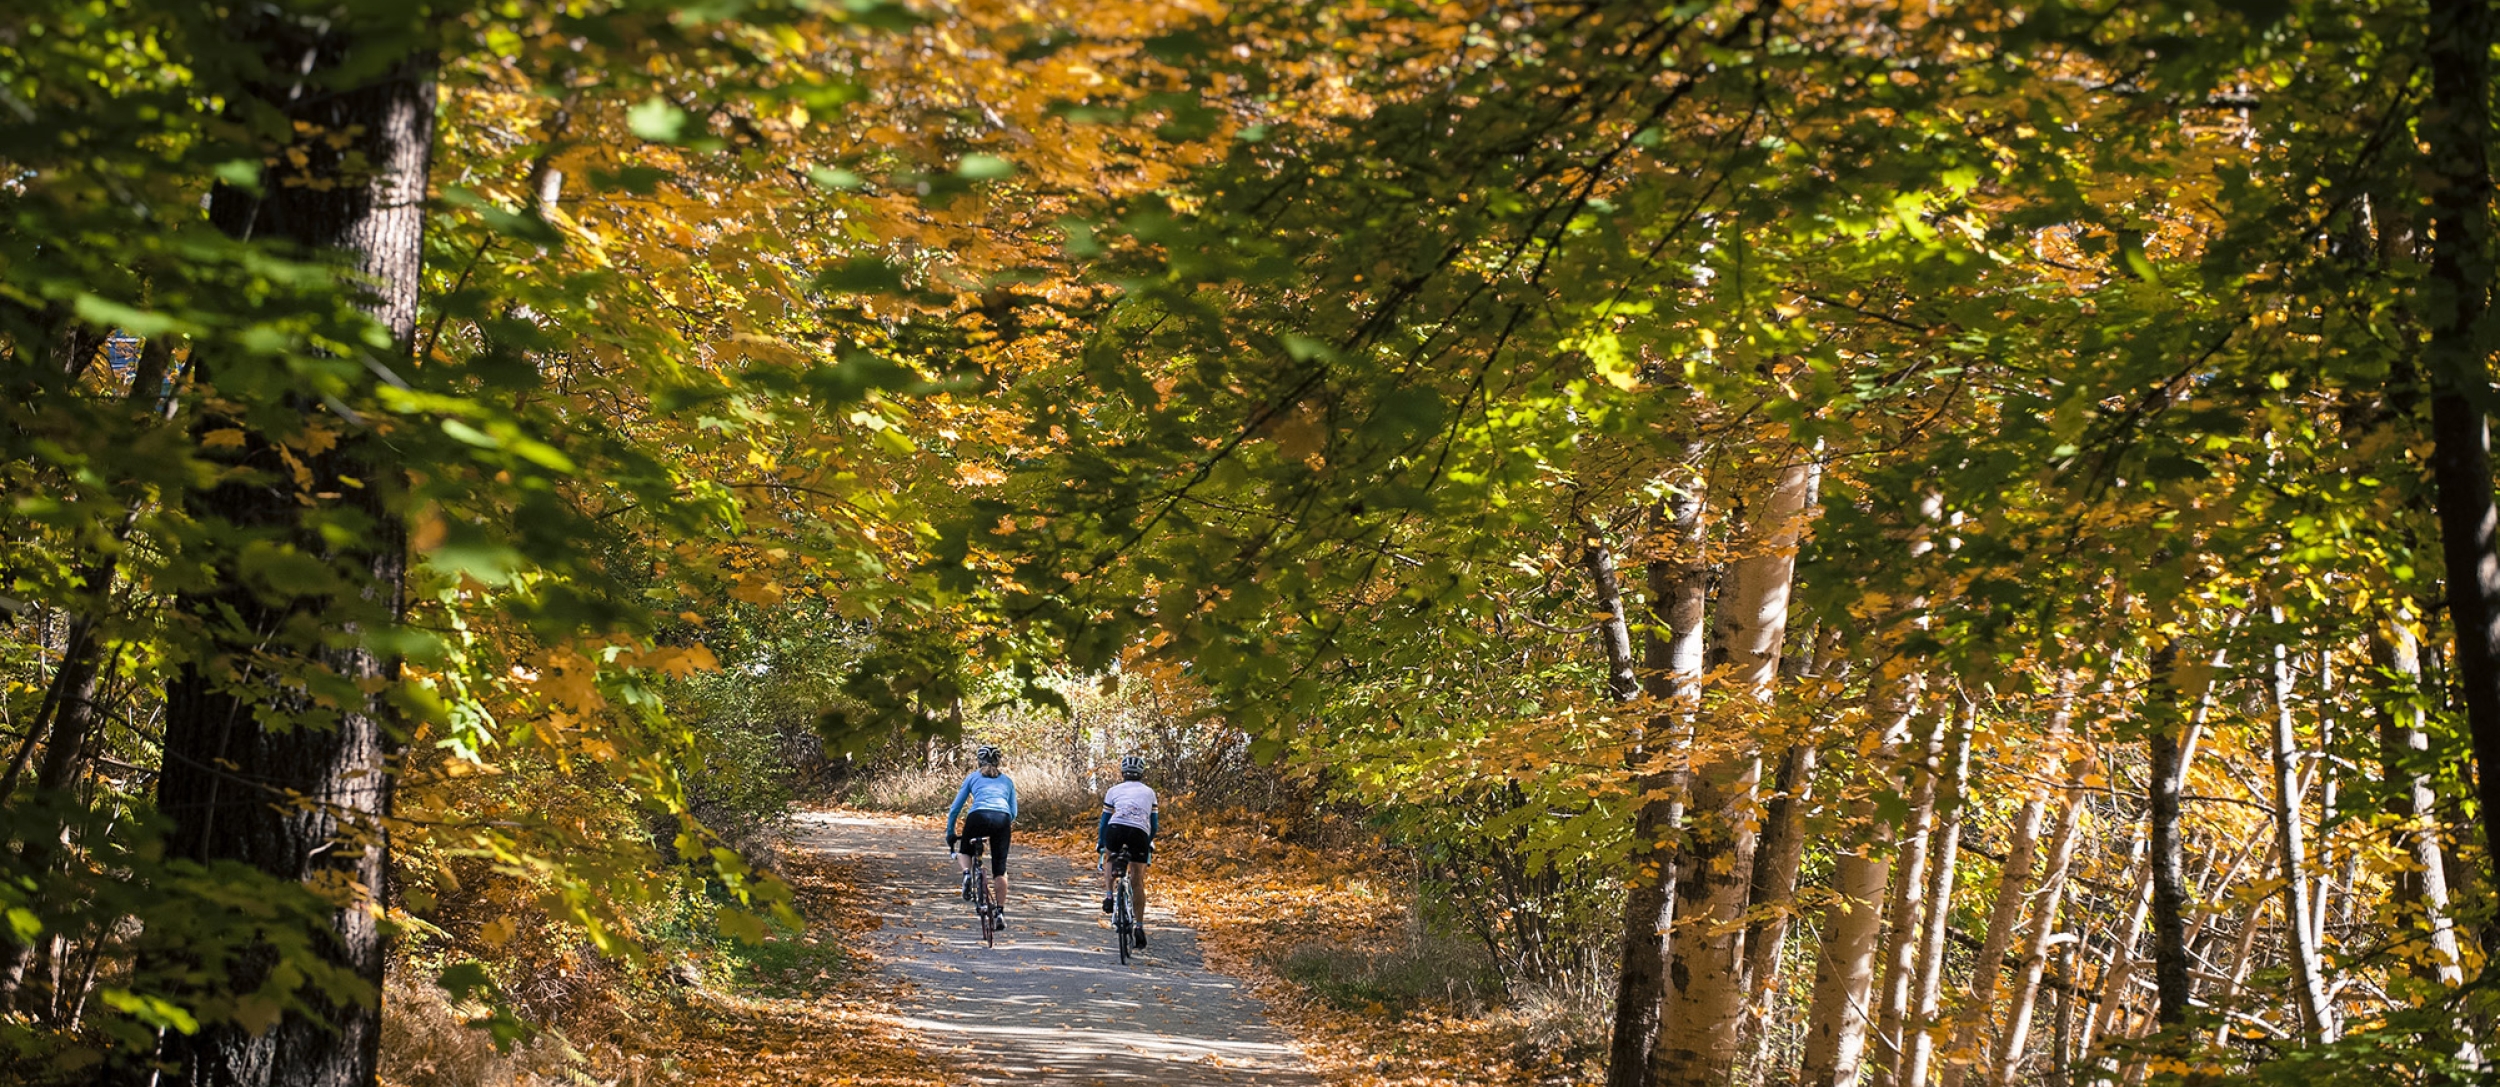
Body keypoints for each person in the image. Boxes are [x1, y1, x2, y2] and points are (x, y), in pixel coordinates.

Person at [944, 744, 1018, 929]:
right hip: (1002, 818)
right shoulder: (1007, 781)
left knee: (965, 850)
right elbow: (1014, 812)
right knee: (1000, 868)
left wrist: (950, 832)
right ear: (999, 761)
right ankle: (1000, 912)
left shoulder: (972, 778)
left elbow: (955, 808)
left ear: (979, 761)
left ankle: (967, 873)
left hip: (977, 816)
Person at [1096, 754, 1157, 949]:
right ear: (1141, 774)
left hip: (1116, 828)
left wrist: (1101, 842)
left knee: (1109, 856)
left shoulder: (1113, 790)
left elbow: (1104, 822)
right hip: (1139, 832)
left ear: (1122, 773)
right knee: (1137, 880)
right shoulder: (1150, 792)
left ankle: (1108, 895)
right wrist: (1148, 842)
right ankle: (1139, 926)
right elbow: (1153, 824)